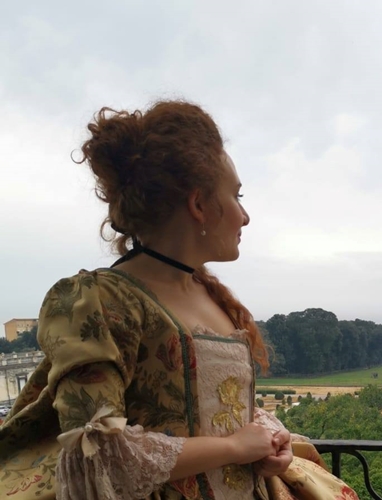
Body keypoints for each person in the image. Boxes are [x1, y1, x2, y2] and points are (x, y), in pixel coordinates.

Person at [0, 100, 358, 500]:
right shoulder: (96, 300)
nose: (245, 216)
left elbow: (219, 413)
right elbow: (96, 455)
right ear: (198, 204)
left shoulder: (210, 294)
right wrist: (233, 448)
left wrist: (268, 443)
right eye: (237, 196)